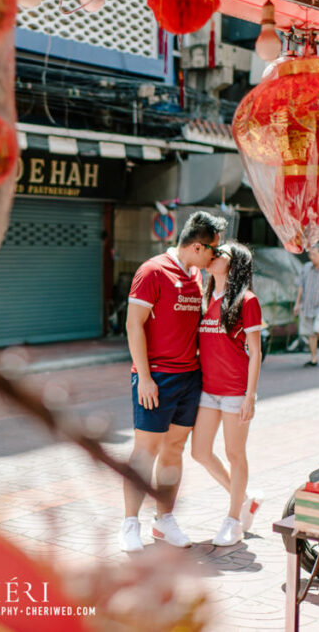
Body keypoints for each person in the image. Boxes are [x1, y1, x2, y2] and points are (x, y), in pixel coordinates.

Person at [120, 210, 228, 552]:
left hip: (189, 378)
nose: (216, 256)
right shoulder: (152, 271)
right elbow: (133, 325)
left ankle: (163, 520)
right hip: (157, 378)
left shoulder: (196, 277)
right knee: (145, 451)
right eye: (214, 250)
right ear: (197, 247)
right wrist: (146, 377)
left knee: (174, 449)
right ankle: (129, 523)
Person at [190, 242, 264, 547]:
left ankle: (234, 520)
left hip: (235, 391)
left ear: (233, 265)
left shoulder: (248, 301)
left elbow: (256, 352)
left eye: (220, 254)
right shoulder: (205, 297)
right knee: (200, 452)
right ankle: (244, 499)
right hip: (208, 390)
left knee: (235, 454)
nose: (213, 256)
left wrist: (250, 396)